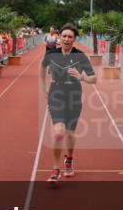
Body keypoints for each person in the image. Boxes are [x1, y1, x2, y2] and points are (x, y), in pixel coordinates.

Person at [40, 24, 96, 186]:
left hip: (74, 96)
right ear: (59, 37)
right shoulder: (51, 54)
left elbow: (94, 79)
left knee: (70, 135)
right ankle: (55, 170)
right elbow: (43, 68)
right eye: (64, 36)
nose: (66, 39)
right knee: (58, 132)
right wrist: (44, 87)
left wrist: (81, 77)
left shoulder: (80, 56)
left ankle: (69, 159)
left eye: (70, 37)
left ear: (74, 39)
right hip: (56, 94)